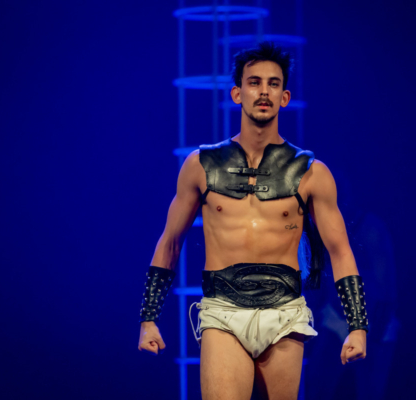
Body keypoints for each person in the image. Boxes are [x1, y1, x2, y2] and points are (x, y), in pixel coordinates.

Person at [137, 42, 368, 400]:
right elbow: (170, 241)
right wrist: (148, 318)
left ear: (285, 97)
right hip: (222, 312)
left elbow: (340, 250)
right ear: (237, 93)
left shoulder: (312, 173)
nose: (264, 91)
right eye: (254, 82)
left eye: (273, 84)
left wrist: (358, 326)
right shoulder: (200, 165)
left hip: (285, 314)